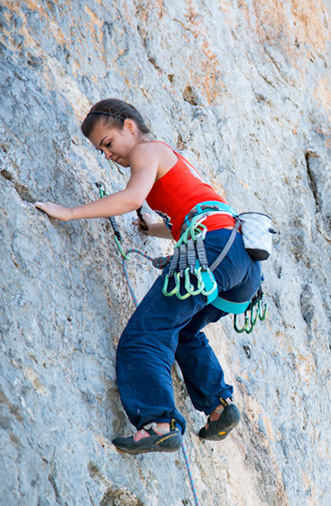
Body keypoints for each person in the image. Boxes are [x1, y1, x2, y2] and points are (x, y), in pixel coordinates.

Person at [35, 99, 262, 454]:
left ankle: (158, 422)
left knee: (145, 336)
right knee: (183, 330)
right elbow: (195, 215)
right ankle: (219, 406)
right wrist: (155, 228)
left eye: (107, 143)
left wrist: (70, 212)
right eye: (101, 151)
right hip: (241, 261)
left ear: (129, 126)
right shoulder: (170, 159)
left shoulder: (146, 151)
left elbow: (131, 197)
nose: (107, 155)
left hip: (215, 248)